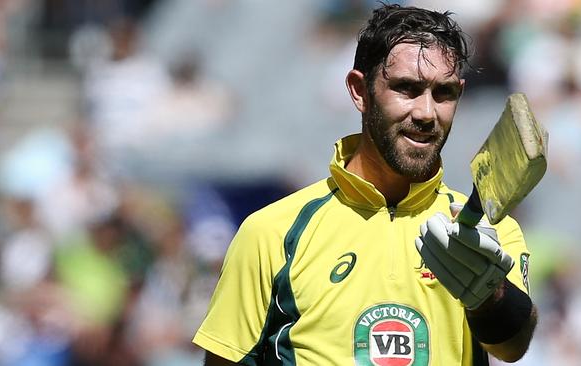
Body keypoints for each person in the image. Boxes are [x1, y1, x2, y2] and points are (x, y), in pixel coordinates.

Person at [193, 4, 537, 365]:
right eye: (407, 88)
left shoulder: (488, 233)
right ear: (360, 90)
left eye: (444, 93)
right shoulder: (270, 233)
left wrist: (488, 292)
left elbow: (512, 347)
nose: (426, 112)